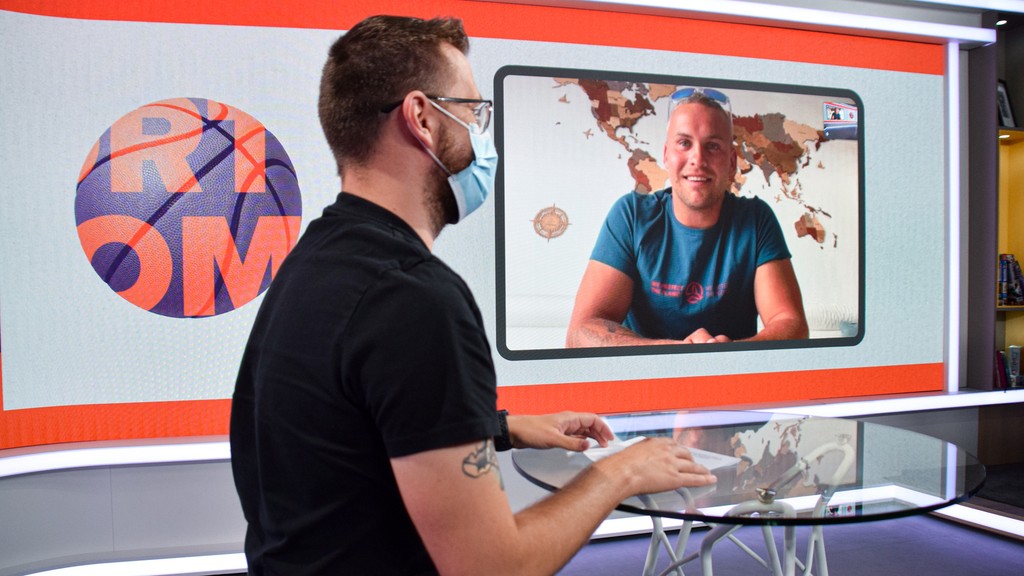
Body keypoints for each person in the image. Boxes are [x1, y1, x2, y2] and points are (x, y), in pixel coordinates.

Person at [229, 15, 717, 576]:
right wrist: (619, 472)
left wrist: (497, 427)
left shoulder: (317, 259)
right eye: (473, 112)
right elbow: (494, 568)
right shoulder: (414, 299)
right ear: (421, 119)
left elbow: (346, 433)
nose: (482, 138)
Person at [566, 87, 808, 347]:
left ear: (731, 163)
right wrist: (673, 352)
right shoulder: (631, 216)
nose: (698, 159)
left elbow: (791, 324)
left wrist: (728, 353)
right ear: (666, 155)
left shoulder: (756, 220)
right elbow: (580, 333)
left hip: (731, 371)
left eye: (713, 146)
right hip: (648, 372)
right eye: (684, 143)